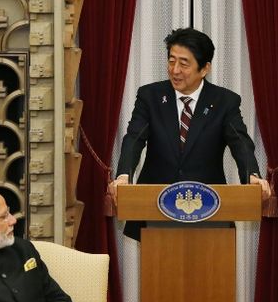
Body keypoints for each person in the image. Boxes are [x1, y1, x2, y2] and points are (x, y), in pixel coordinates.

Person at [110, 27, 270, 240]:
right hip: (154, 212)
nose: (174, 70)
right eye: (171, 60)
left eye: (183, 64)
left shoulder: (224, 101)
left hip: (209, 212)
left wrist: (253, 177)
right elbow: (134, 138)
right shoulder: (150, 96)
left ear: (204, 69)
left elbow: (241, 143)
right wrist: (123, 176)